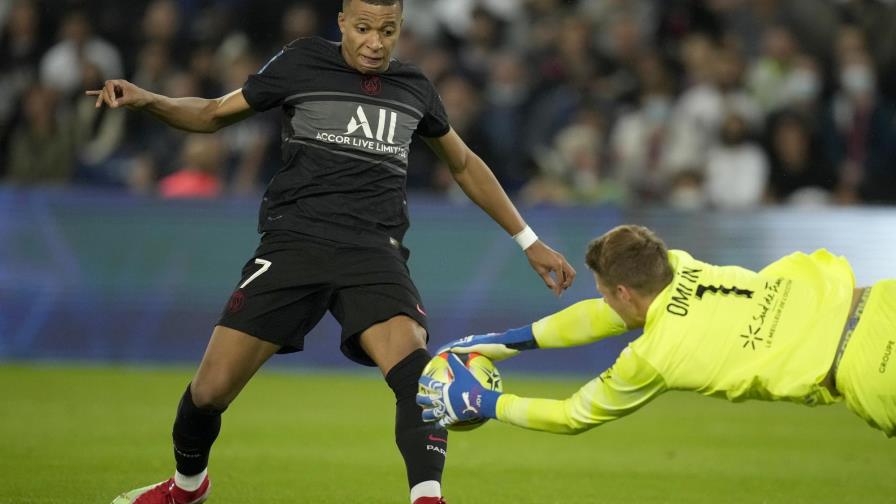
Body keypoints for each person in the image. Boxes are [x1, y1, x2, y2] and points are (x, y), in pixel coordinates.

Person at [89, 1, 577, 503]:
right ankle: (187, 487)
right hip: (294, 241)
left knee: (416, 373)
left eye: (387, 31)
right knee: (209, 391)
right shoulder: (302, 62)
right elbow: (213, 113)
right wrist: (148, 99)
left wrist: (529, 240)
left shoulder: (414, 88)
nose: (375, 42)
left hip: (374, 250)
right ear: (342, 22)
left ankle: (428, 497)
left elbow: (465, 164)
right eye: (364, 28)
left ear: (400, 28)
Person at [420, 224, 895, 442]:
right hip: (881, 300)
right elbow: (604, 316)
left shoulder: (653, 358)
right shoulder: (681, 264)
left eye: (607, 293)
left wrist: (484, 403)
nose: (606, 303)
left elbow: (571, 416)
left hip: (869, 370)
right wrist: (501, 344)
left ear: (625, 292)